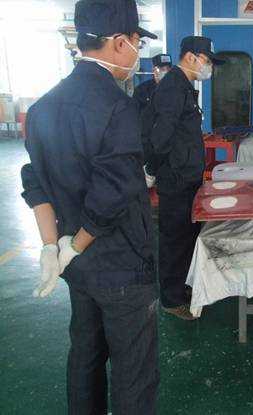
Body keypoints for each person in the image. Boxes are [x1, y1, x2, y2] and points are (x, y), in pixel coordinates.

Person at [20, 0, 159, 413]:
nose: (137, 52)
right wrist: (73, 246)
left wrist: (53, 247)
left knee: (85, 356)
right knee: (134, 372)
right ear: (118, 43)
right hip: (121, 265)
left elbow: (35, 180)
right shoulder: (117, 106)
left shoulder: (42, 108)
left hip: (78, 269)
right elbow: (111, 197)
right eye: (136, 42)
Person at [146, 36, 225, 320]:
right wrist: (154, 170)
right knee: (174, 241)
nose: (209, 67)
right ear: (191, 57)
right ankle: (171, 299)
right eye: (207, 61)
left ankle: (181, 288)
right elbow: (160, 137)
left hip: (187, 178)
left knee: (187, 237)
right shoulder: (173, 87)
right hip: (176, 180)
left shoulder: (183, 86)